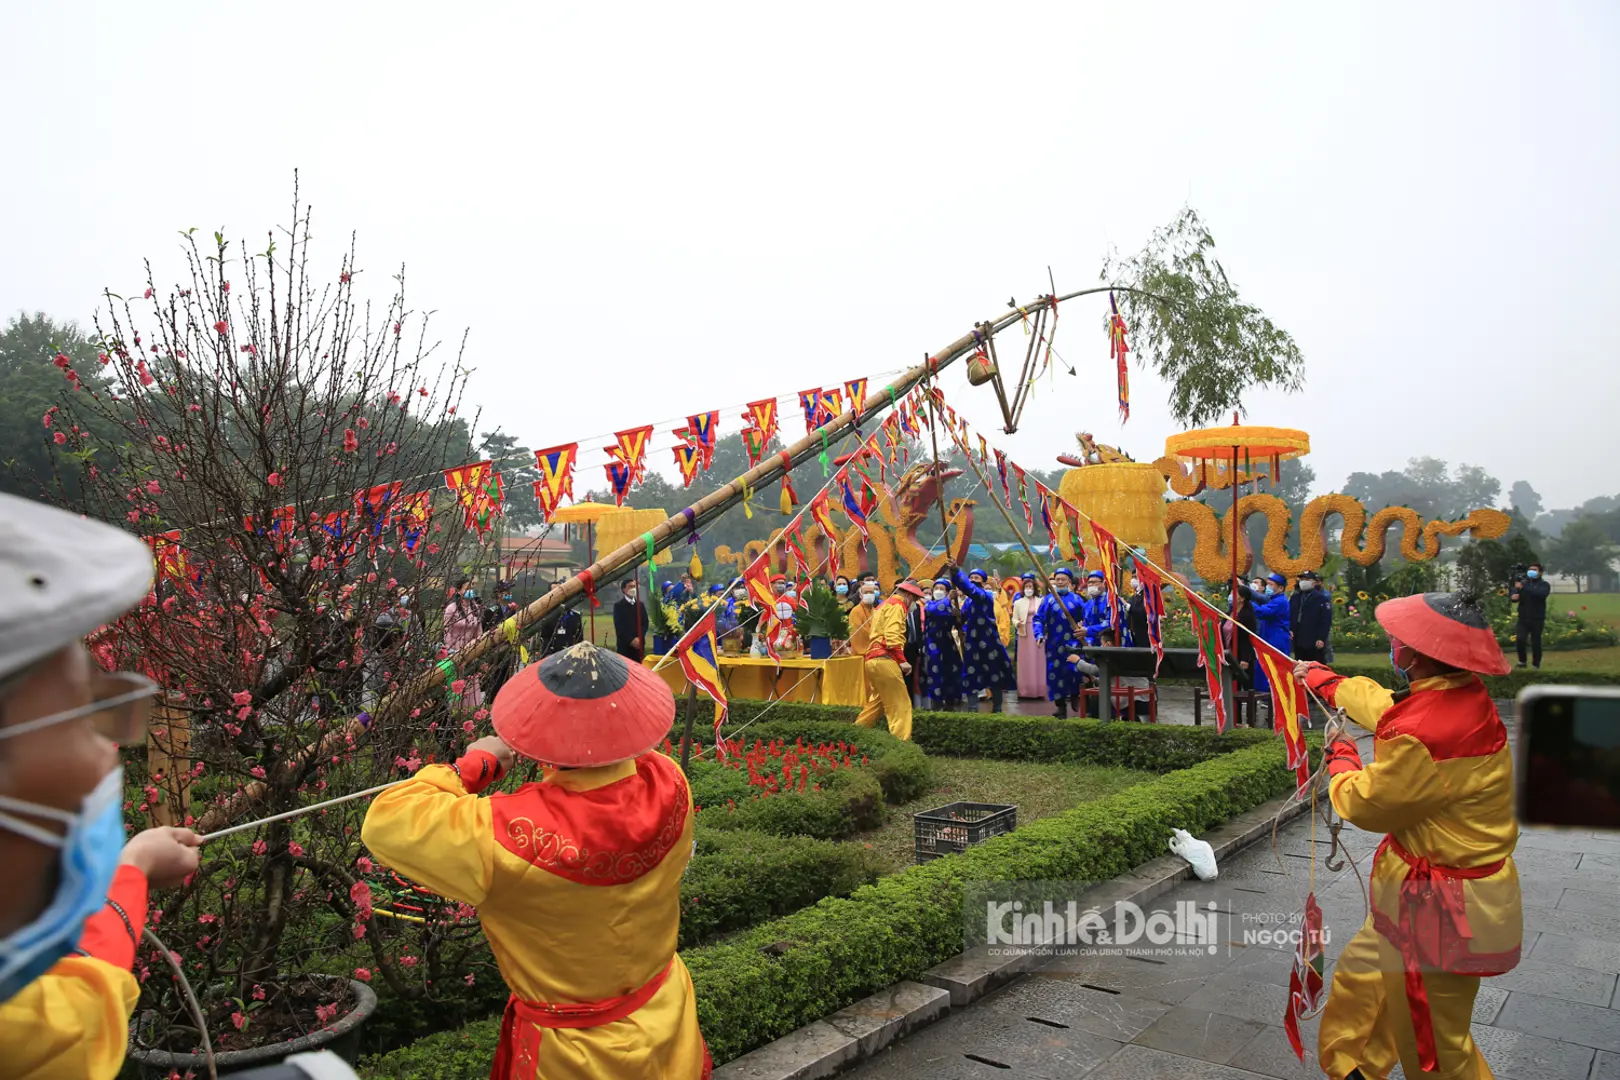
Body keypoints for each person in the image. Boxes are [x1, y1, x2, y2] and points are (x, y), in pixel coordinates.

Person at [363, 643, 712, 1079]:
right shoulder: (669, 780)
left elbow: (385, 822)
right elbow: (631, 757)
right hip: (665, 1018)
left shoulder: (502, 832)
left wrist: (475, 765)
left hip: (572, 1057)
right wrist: (602, 720)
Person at [0, 493, 204, 1078]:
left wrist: (134, 863)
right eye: (76, 716)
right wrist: (132, 869)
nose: (104, 755)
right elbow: (86, 988)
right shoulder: (29, 1033)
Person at [1295, 591, 1520, 1080]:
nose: (1391, 643)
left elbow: (1365, 802)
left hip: (1442, 912)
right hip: (1411, 897)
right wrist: (1330, 683)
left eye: (1397, 639)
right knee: (1361, 984)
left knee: (1436, 1047)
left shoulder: (1429, 732)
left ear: (1414, 655)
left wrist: (1341, 757)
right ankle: (1356, 1068)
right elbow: (1388, 709)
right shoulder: (1451, 695)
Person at [855, 580, 924, 740]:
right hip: (885, 659)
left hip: (872, 660)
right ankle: (901, 744)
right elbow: (892, 637)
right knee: (901, 705)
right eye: (914, 599)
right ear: (908, 595)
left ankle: (855, 734)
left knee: (876, 704)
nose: (914, 604)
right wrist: (903, 661)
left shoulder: (883, 605)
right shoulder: (898, 606)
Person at [948, 567, 1014, 713]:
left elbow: (969, 589)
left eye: (976, 578)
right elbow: (960, 621)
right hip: (972, 643)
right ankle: (972, 710)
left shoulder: (985, 595)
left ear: (984, 583)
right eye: (971, 578)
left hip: (989, 641)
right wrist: (956, 616)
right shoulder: (968, 602)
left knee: (994, 674)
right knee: (971, 675)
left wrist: (956, 571)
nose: (972, 580)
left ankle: (997, 710)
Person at [1033, 567, 1088, 718]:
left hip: (1073, 645)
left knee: (1074, 670)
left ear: (1069, 582)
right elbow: (1038, 619)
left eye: (1063, 579)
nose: (1060, 582)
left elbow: (1087, 619)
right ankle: (1060, 707)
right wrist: (1038, 634)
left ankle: (1075, 693)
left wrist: (1085, 629)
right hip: (1053, 646)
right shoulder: (1048, 600)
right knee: (1055, 675)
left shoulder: (1077, 600)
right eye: (1057, 579)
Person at [1244, 572, 1292, 694]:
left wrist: (1247, 601)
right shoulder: (1274, 599)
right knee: (1265, 665)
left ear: (1281, 588)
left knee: (1274, 666)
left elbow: (1262, 612)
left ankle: (1270, 694)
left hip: (1277, 638)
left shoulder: (1280, 601)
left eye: (1271, 584)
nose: (1268, 587)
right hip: (1270, 635)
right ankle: (1265, 693)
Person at [443, 580, 486, 710]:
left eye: (472, 586)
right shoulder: (451, 609)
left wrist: (479, 648)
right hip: (455, 652)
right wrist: (451, 651)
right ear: (459, 590)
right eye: (467, 587)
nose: (470, 590)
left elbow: (479, 631)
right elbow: (446, 631)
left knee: (471, 684)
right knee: (457, 687)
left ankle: (472, 713)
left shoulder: (476, 608)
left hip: (471, 653)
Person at [921, 580, 963, 710]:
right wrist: (948, 599)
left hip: (948, 642)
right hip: (932, 643)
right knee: (935, 671)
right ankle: (935, 702)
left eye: (942, 589)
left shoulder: (951, 607)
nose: (938, 591)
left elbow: (958, 624)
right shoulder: (929, 605)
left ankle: (951, 700)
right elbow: (934, 611)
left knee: (951, 671)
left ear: (946, 591)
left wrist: (958, 617)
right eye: (936, 588)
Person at [1012, 573, 1048, 700]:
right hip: (1024, 633)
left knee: (1039, 661)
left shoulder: (1042, 601)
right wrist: (1018, 623)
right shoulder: (1018, 602)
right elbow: (1014, 618)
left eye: (1031, 587)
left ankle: (1038, 690)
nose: (1028, 589)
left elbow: (1045, 617)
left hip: (1038, 633)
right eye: (1026, 587)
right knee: (1025, 662)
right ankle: (1024, 690)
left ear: (1035, 588)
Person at [1510, 562, 1550, 669]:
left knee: (1536, 642)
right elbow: (1514, 593)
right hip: (1523, 617)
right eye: (1530, 569)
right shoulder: (1523, 583)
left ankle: (1536, 664)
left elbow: (1540, 595)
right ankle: (1522, 661)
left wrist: (1524, 587)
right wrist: (1513, 596)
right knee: (1520, 639)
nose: (1531, 571)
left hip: (1537, 618)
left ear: (1540, 572)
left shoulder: (1544, 585)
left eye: (1535, 569)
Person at [1291, 569, 1333, 663]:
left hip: (1313, 639)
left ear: (1314, 582)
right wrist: (1290, 629)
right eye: (1302, 579)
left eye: (1306, 579)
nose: (1303, 582)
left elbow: (1326, 620)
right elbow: (1291, 615)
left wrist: (1321, 638)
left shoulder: (1321, 599)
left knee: (1315, 666)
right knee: (1299, 665)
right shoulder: (1296, 597)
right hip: (1298, 638)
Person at [612, 578, 647, 662]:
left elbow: (645, 623)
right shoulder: (618, 606)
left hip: (639, 646)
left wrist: (639, 638)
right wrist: (631, 640)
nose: (633, 589)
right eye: (630, 586)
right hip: (625, 646)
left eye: (634, 586)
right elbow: (619, 626)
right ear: (624, 589)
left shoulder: (640, 605)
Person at [1081, 570, 1114, 646]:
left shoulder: (1111, 601)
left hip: (1109, 644)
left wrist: (1088, 630)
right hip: (1091, 645)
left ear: (1104, 583)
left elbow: (1111, 623)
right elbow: (1086, 625)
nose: (1091, 585)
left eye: (1095, 582)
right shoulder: (1087, 605)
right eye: (1089, 582)